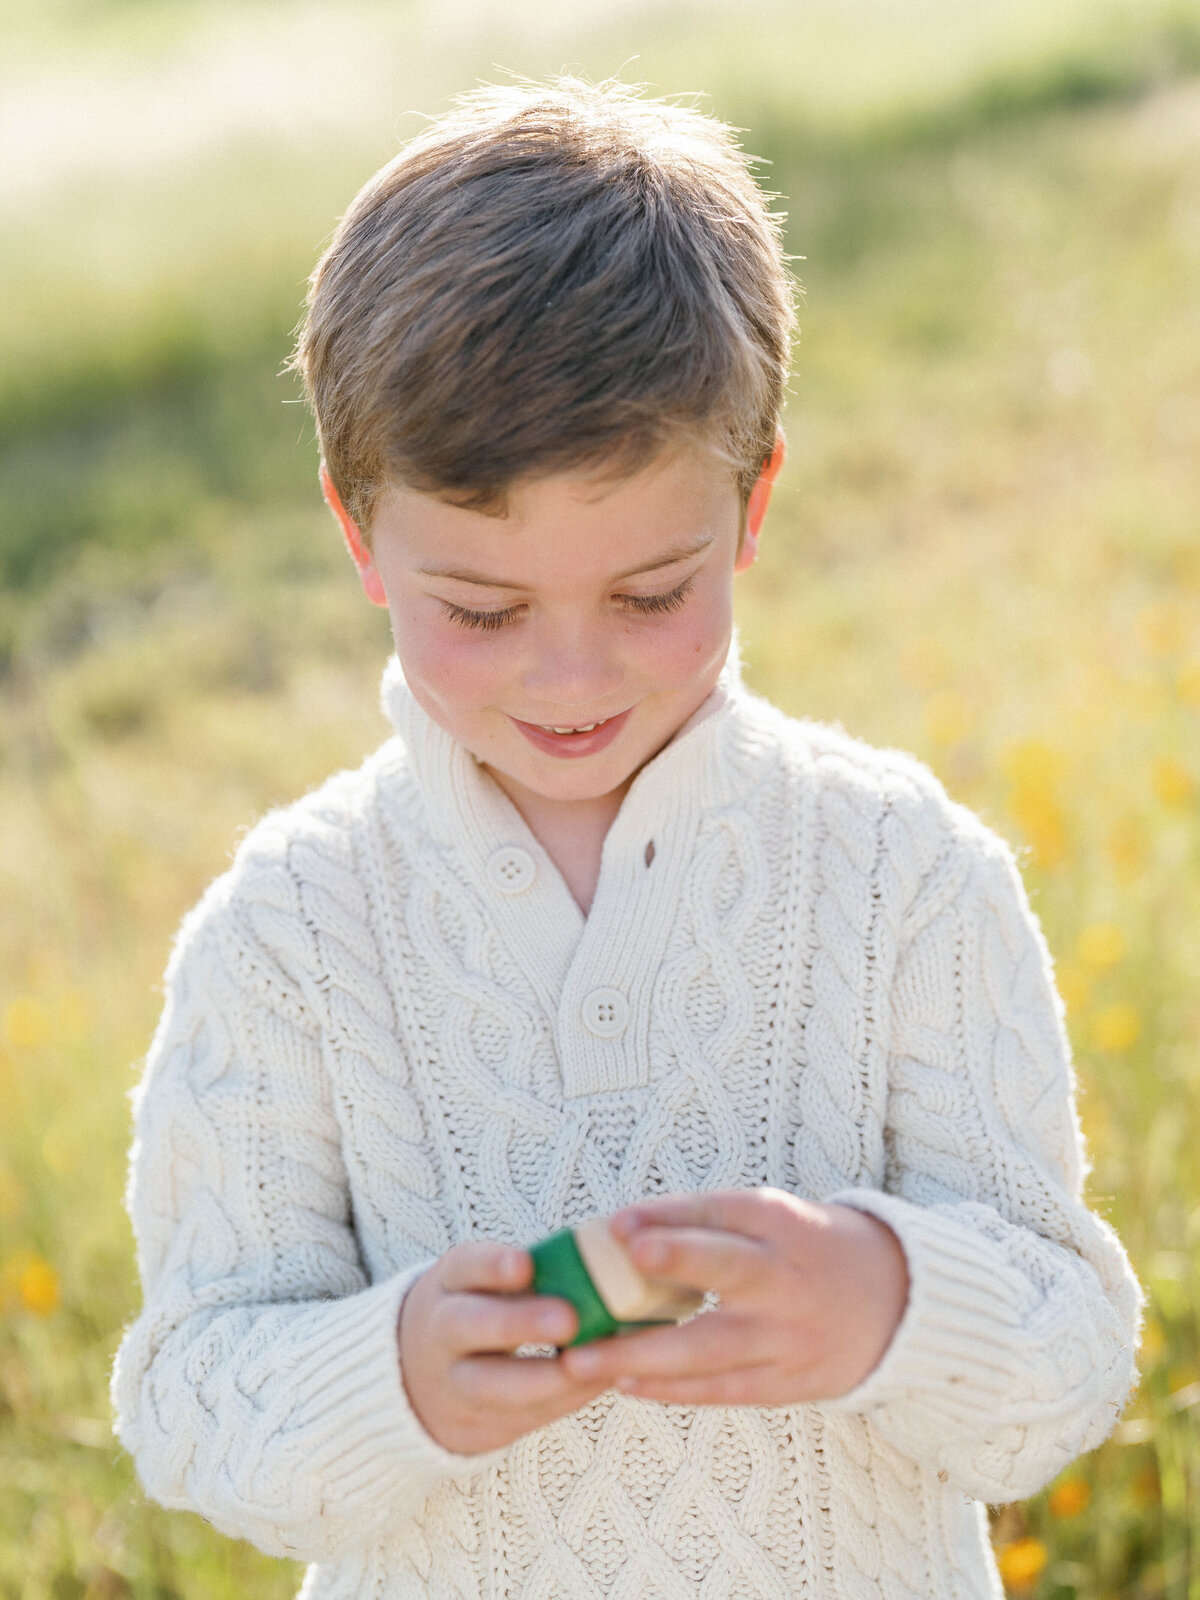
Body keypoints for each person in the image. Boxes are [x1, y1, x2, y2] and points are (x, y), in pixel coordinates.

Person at [111, 76, 1141, 1599]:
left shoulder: (900, 879)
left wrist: (891, 1303)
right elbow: (187, 1394)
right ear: (356, 532)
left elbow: (1070, 1348)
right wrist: (381, 1374)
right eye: (484, 609)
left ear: (752, 504)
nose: (572, 673)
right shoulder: (291, 936)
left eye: (653, 593)